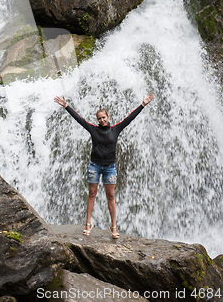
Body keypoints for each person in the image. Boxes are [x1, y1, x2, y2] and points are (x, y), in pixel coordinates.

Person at [54, 93, 154, 239]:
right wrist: (66, 106)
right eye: (99, 118)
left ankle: (114, 227)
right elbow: (79, 120)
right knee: (92, 193)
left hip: (109, 168)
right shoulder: (93, 129)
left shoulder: (116, 129)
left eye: (103, 117)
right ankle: (88, 224)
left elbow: (129, 119)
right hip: (94, 166)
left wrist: (143, 105)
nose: (102, 120)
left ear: (107, 117)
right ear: (97, 119)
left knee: (111, 196)